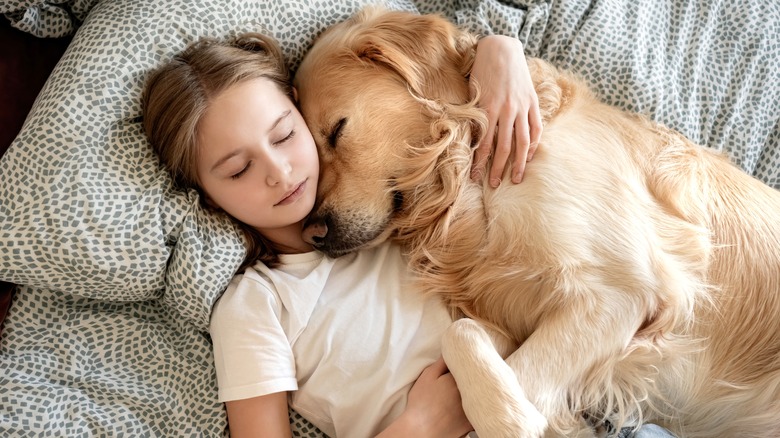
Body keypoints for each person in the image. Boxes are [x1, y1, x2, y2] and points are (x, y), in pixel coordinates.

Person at [142, 29, 674, 438]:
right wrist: (417, 427)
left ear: (304, 111)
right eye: (238, 170)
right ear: (209, 198)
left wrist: (498, 48)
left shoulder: (398, 222)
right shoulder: (254, 304)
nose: (279, 172)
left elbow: (436, 99)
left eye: (286, 135)